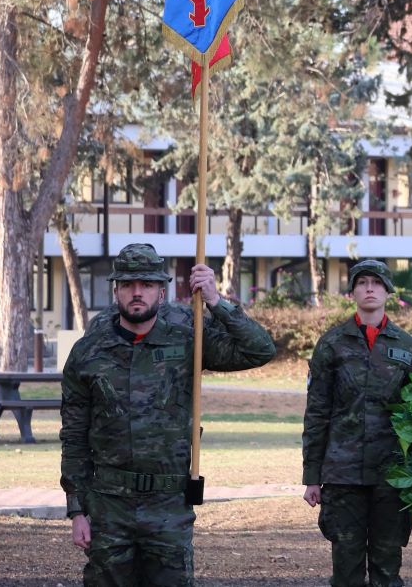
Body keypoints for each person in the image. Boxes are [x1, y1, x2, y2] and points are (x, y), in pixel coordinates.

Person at [60, 243, 276, 585]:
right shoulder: (89, 351)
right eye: (128, 285)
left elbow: (260, 350)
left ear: (161, 291)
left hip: (168, 504)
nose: (137, 293)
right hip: (108, 504)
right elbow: (73, 436)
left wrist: (216, 301)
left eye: (146, 285)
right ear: (115, 290)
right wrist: (77, 510)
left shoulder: (188, 335)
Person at [302, 260, 412, 587]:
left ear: (387, 291)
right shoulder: (331, 344)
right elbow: (316, 413)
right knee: (346, 567)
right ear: (353, 291)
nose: (369, 288)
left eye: (376, 283)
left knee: (387, 567)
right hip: (343, 474)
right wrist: (312, 476)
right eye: (362, 282)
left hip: (392, 473)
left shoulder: (408, 347)